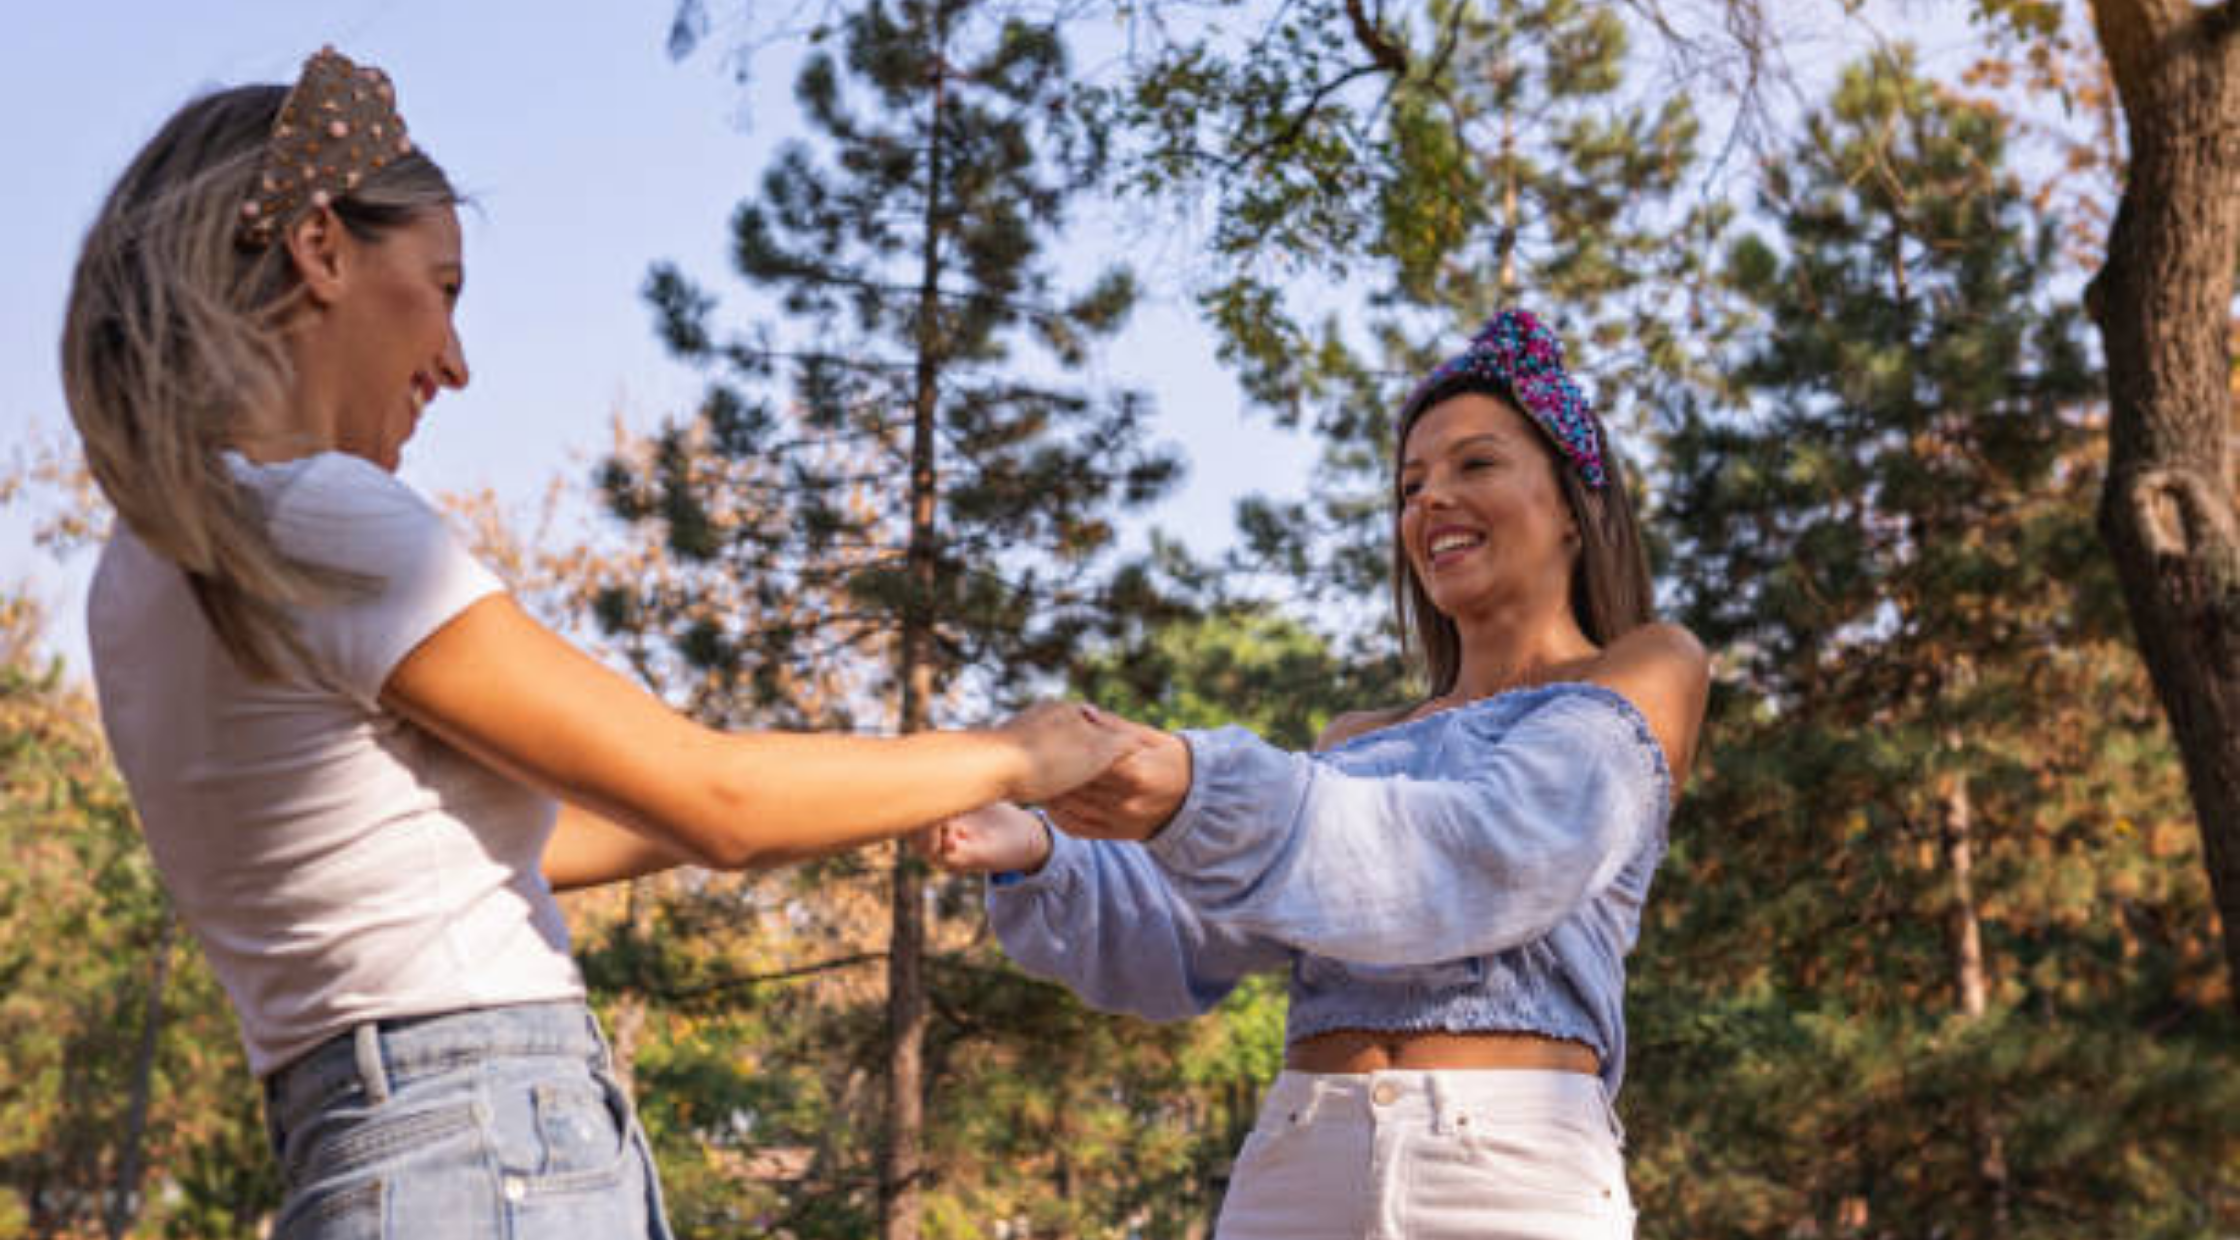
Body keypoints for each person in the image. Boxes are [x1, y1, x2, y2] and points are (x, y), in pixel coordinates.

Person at [60, 48, 1128, 1240]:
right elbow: (717, 795)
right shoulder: (319, 518)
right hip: (485, 1137)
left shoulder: (150, 561)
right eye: (444, 288)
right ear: (320, 250)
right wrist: (1012, 753)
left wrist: (863, 798)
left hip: (365, 1146)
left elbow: (497, 841)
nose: (456, 365)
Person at [926, 308, 1709, 1239]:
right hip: (1297, 1165)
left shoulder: (1651, 668)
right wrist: (1047, 850)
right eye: (1410, 485)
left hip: (1514, 1175)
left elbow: (1500, 850)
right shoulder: (1360, 739)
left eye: (1476, 465)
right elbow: (1212, 919)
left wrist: (1196, 790)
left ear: (1578, 506)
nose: (1429, 501)